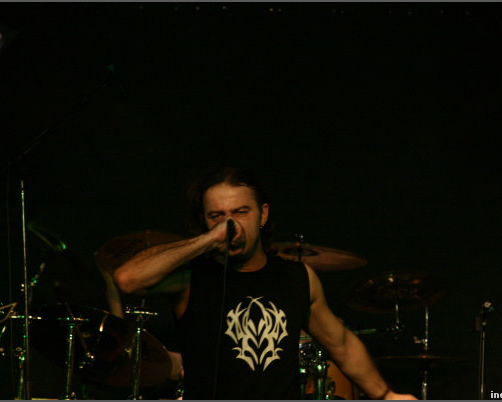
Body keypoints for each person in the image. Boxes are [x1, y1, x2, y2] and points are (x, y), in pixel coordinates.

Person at [114, 166, 416, 400]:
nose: (230, 225)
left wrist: (385, 395)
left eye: (240, 212)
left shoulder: (298, 278)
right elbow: (127, 279)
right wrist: (207, 239)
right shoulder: (191, 278)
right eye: (216, 215)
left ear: (263, 214)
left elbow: (342, 344)